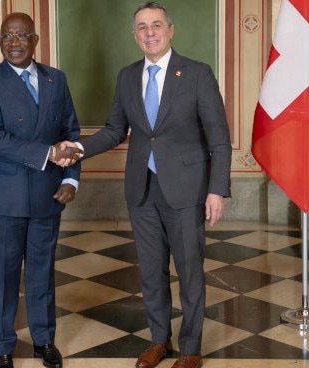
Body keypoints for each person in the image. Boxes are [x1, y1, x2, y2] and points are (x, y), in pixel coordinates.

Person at [58, 2, 231, 368]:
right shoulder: (127, 76)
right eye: (141, 27)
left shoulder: (197, 74)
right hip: (142, 189)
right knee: (151, 272)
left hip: (187, 191)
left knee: (189, 274)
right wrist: (78, 150)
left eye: (156, 25)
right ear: (134, 35)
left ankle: (190, 349)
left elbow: (218, 137)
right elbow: (115, 130)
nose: (149, 33)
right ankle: (158, 341)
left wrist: (217, 189)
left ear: (170, 30)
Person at [0, 12, 82, 368]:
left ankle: (43, 339)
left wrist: (70, 178)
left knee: (41, 270)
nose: (14, 43)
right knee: (3, 273)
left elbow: (71, 133)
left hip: (48, 193)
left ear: (35, 40)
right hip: (5, 195)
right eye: (7, 36)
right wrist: (48, 153)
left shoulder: (56, 79)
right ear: (0, 41)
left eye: (21, 36)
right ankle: (2, 346)